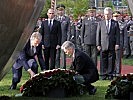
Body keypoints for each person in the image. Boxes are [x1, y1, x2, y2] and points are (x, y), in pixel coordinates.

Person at [96, 7, 120, 80]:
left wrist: (117, 44)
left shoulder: (115, 23)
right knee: (103, 60)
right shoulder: (100, 23)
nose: (107, 16)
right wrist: (98, 44)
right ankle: (103, 74)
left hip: (112, 44)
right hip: (103, 45)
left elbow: (117, 34)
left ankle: (110, 74)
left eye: (108, 14)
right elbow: (98, 34)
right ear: (104, 14)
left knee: (111, 60)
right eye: (105, 14)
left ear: (111, 14)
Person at [55, 4, 71, 69]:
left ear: (64, 11)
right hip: (56, 40)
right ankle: (56, 69)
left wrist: (68, 40)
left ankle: (63, 69)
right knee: (56, 55)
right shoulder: (55, 18)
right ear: (57, 11)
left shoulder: (67, 19)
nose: (61, 12)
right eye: (59, 10)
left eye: (62, 10)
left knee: (63, 55)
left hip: (64, 40)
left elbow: (69, 30)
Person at [112, 11, 128, 76]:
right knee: (112, 58)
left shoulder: (123, 24)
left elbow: (125, 36)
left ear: (120, 17)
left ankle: (118, 72)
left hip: (120, 44)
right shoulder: (110, 24)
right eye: (114, 16)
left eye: (117, 16)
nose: (116, 17)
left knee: (118, 59)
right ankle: (112, 71)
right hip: (111, 44)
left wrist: (124, 45)